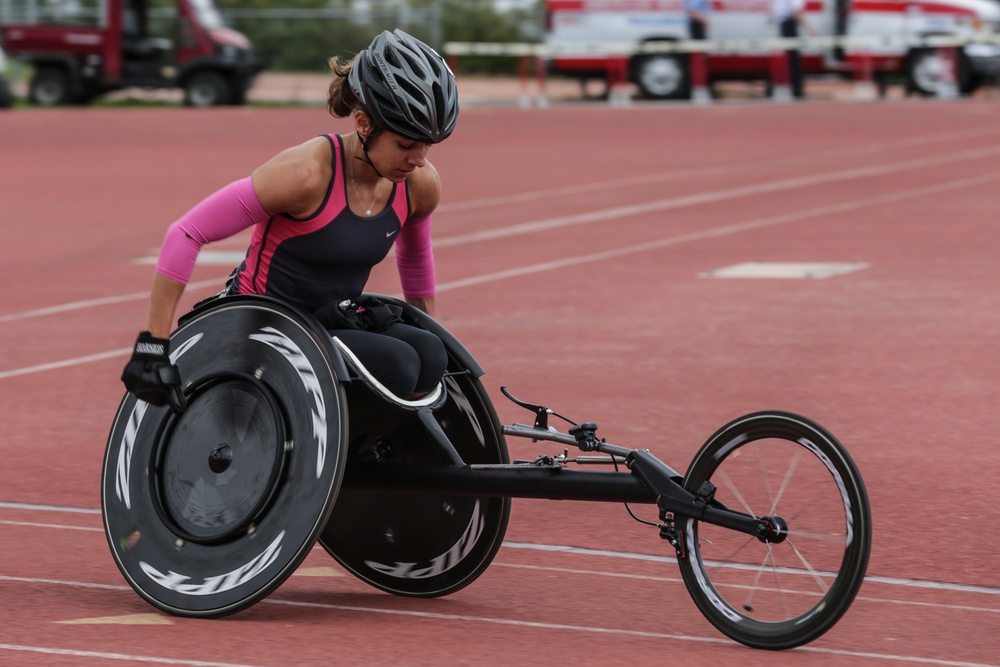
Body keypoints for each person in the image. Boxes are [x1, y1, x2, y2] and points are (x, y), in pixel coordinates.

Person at [121, 29, 457, 408]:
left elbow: (413, 257)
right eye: (405, 145)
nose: (419, 159)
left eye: (427, 145)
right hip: (262, 323)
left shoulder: (419, 184)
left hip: (331, 320)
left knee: (432, 354)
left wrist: (430, 324)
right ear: (363, 124)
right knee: (398, 364)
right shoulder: (305, 174)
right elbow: (185, 232)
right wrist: (153, 344)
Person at [771, 0, 812, 99]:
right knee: (793, 59)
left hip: (785, 23)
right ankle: (796, 90)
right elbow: (797, 11)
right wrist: (809, 29)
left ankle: (793, 88)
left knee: (791, 58)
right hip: (789, 24)